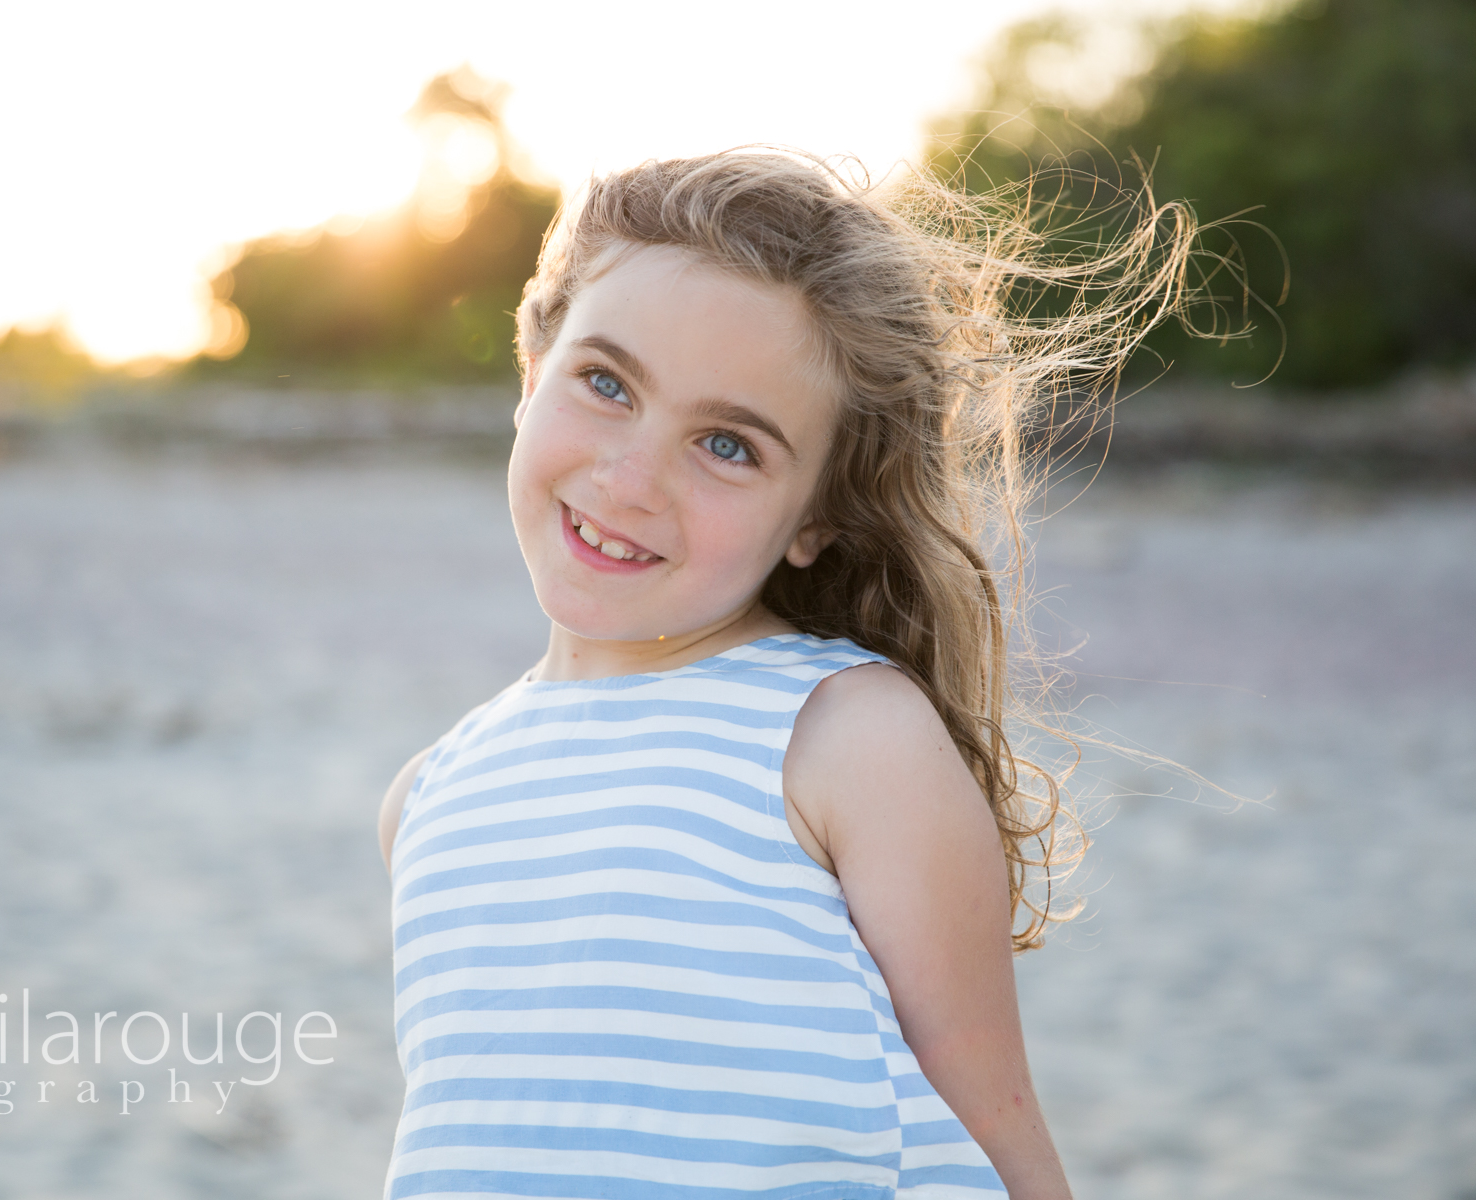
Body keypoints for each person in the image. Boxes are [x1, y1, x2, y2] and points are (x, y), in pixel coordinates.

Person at [377, 150, 1197, 1199]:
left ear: (815, 517)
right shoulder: (430, 798)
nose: (631, 479)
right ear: (533, 370)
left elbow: (996, 1121)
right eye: (604, 383)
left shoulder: (846, 738)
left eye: (727, 445)